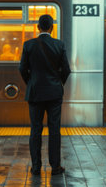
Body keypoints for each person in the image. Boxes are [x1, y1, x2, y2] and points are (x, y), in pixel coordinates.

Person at [19, 14, 71, 176]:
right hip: (54, 93)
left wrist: (32, 82)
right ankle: (55, 167)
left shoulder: (28, 45)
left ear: (38, 27)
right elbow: (67, 70)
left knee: (36, 130)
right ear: (52, 27)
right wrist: (57, 82)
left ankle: (36, 167)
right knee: (54, 129)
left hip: (35, 93)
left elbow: (22, 69)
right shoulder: (59, 45)